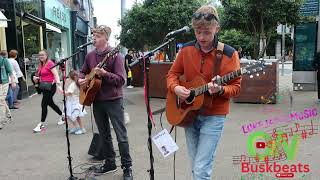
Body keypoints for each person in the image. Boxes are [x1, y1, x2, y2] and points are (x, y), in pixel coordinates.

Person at [166, 5, 241, 180]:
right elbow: (172, 74)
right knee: (196, 165)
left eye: (206, 32)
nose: (201, 37)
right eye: (198, 32)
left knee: (201, 168)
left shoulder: (229, 54)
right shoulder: (186, 50)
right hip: (188, 113)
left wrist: (220, 89)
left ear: (217, 28)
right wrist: (176, 88)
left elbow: (236, 88)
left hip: (214, 116)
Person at [78, 25, 133, 179]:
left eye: (97, 36)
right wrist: (80, 79)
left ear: (106, 38)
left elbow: (121, 80)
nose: (93, 39)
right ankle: (110, 163)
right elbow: (82, 71)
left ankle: (127, 167)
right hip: (96, 100)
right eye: (93, 36)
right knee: (104, 134)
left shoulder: (116, 56)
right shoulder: (90, 56)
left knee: (121, 135)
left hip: (113, 100)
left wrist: (105, 73)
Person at [32, 50, 64, 133]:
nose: (41, 56)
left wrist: (58, 85)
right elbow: (41, 75)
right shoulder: (41, 64)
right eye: (39, 55)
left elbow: (56, 74)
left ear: (47, 55)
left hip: (51, 87)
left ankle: (41, 123)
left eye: (42, 55)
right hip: (44, 87)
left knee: (44, 104)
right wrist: (36, 78)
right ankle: (63, 116)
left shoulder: (50, 63)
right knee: (50, 103)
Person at [63, 70, 87, 135]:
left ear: (72, 77)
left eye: (69, 77)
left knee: (72, 116)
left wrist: (61, 91)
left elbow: (69, 93)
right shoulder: (78, 83)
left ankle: (81, 129)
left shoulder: (73, 84)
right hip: (74, 102)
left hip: (73, 103)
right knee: (72, 116)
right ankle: (77, 127)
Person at [0, 50, 16, 130]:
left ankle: (2, 121)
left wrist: (13, 82)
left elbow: (10, 72)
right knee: (1, 101)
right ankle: (8, 114)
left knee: (1, 100)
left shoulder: (4, 60)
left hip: (3, 83)